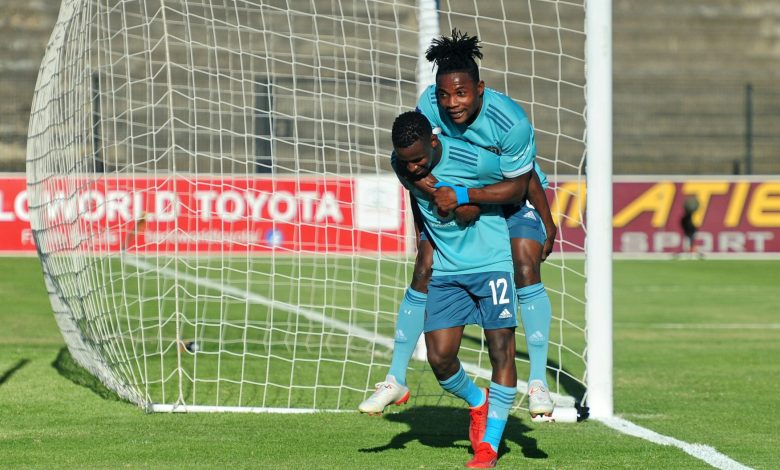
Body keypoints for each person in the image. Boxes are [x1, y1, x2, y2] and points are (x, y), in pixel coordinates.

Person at [358, 30, 557, 420]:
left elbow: (520, 182)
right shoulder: (429, 106)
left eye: (461, 94)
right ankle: (395, 377)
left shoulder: (511, 122)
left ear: (479, 89)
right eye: (445, 95)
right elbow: (410, 163)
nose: (452, 103)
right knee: (424, 269)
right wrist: (441, 199)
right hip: (456, 197)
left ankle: (537, 382)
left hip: (510, 197)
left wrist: (543, 221)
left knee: (524, 265)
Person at [390, 111, 531, 467]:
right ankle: (478, 401)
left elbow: (519, 185)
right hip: (448, 269)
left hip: (492, 262)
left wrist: (469, 198)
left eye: (418, 159)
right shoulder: (402, 162)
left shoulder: (474, 158)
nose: (412, 168)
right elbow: (409, 174)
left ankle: (489, 445)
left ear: (434, 142)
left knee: (501, 351)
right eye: (405, 162)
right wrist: (443, 196)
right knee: (439, 358)